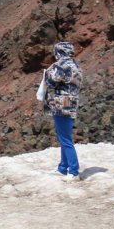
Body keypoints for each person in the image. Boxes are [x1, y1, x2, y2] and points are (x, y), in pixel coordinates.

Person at [42, 41, 83, 181]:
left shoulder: (61, 65)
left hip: (61, 103)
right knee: (64, 136)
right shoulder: (75, 65)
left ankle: (74, 170)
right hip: (72, 103)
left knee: (65, 139)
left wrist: (47, 74)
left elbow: (51, 82)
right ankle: (63, 167)